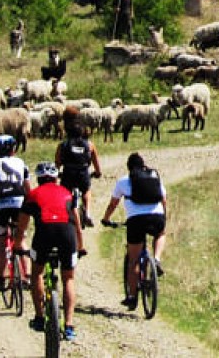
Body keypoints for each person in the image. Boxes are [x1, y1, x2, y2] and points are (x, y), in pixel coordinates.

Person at [17, 161, 83, 342]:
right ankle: (69, 325)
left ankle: (39, 318)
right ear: (56, 178)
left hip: (44, 232)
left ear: (38, 179)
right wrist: (81, 245)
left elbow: (22, 226)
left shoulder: (32, 194)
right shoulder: (67, 193)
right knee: (68, 278)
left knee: (37, 273)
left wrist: (17, 244)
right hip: (67, 233)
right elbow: (77, 223)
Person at [101, 153, 168, 310]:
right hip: (157, 217)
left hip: (136, 221)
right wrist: (163, 216)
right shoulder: (154, 177)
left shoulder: (123, 181)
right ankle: (156, 259)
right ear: (143, 165)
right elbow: (164, 200)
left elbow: (113, 204)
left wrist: (106, 219)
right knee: (160, 233)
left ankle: (132, 296)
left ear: (129, 167)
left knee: (133, 260)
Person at [0, 134, 31, 290]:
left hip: (1, 205)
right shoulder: (21, 163)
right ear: (13, 149)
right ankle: (27, 276)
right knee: (21, 238)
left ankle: (2, 277)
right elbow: (28, 188)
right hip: (19, 204)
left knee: (0, 240)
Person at [55, 119, 102, 227]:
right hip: (83, 173)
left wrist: (57, 173)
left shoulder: (62, 145)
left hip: (68, 173)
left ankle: (63, 213)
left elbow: (57, 162)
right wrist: (98, 172)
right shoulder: (89, 145)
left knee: (65, 192)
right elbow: (96, 162)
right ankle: (87, 213)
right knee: (86, 190)